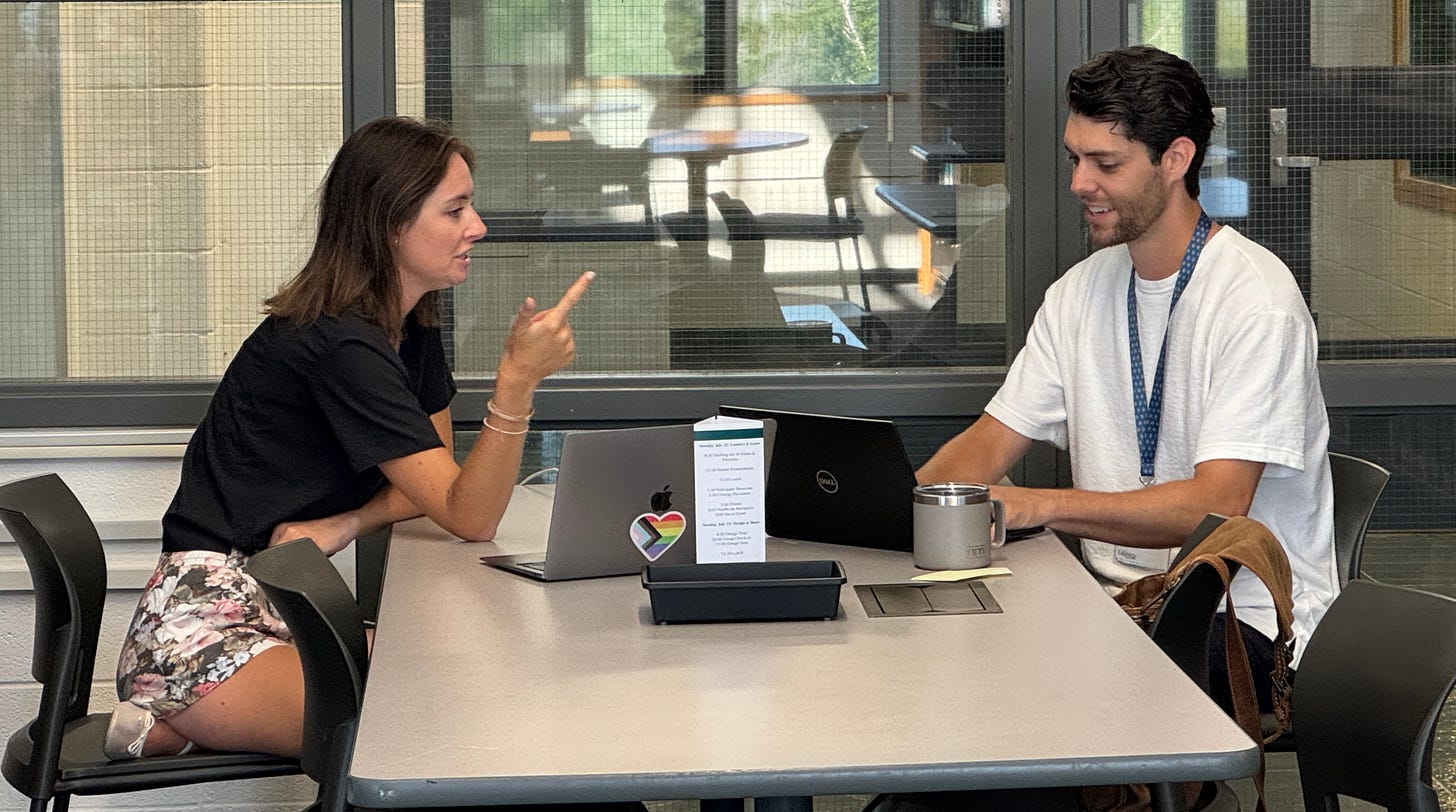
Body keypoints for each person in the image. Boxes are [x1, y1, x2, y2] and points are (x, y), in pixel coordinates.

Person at [107, 116, 594, 761]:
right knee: (427, 725)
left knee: (479, 681)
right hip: (201, 629)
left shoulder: (409, 323)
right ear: (391, 224)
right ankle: (178, 712)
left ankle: (179, 731)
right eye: (455, 210)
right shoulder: (340, 343)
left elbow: (436, 488)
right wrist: (516, 382)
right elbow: (469, 514)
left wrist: (347, 520)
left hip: (283, 604)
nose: (476, 226)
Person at [919, 45, 1336, 715]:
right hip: (1120, 608)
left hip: (1245, 624)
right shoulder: (1079, 292)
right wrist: (915, 502)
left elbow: (1217, 506)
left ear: (1176, 159)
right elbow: (988, 445)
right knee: (950, 674)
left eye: (1105, 164)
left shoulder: (1256, 302)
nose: (1081, 183)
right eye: (1074, 159)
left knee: (1007, 704)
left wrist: (1041, 504)